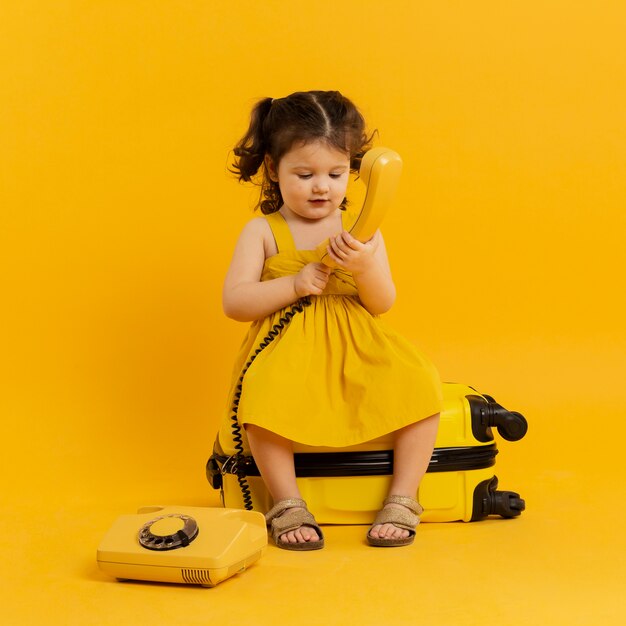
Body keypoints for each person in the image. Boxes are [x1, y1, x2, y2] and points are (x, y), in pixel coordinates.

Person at [221, 90, 442, 550]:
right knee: (259, 404)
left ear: (354, 172)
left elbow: (383, 303)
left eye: (336, 174)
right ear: (273, 171)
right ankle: (287, 504)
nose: (322, 186)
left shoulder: (361, 230)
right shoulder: (263, 231)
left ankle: (403, 498)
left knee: (421, 384)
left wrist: (364, 267)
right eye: (304, 174)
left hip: (357, 344)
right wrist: (295, 284)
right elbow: (236, 302)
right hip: (288, 350)